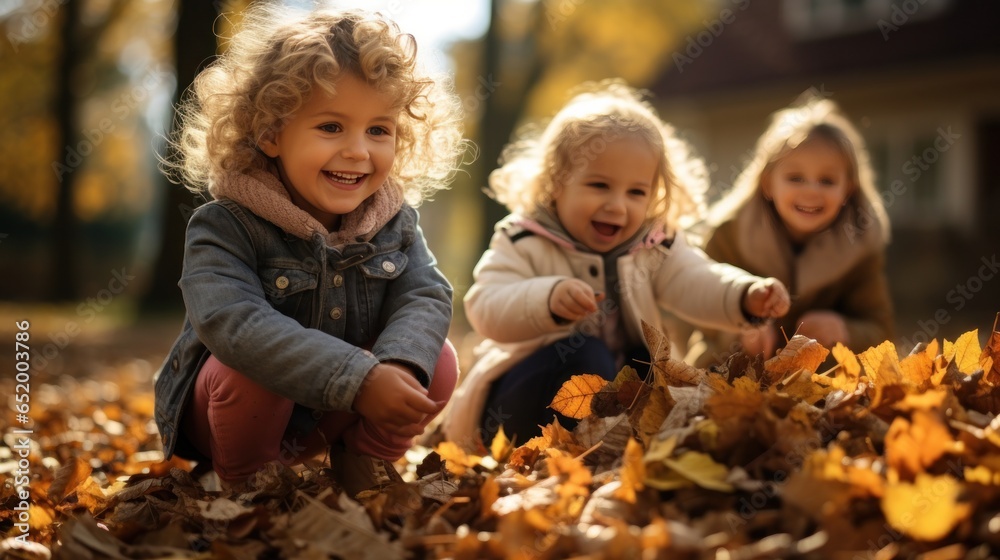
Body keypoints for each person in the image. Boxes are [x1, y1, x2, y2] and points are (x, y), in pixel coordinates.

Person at [153, 4, 466, 498]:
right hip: (229, 415)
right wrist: (359, 378)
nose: (358, 151)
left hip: (332, 414)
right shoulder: (226, 225)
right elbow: (233, 323)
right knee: (249, 370)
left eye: (378, 129)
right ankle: (251, 484)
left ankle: (364, 463)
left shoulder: (394, 222)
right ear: (271, 133)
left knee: (436, 358)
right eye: (331, 127)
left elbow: (425, 295)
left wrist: (399, 368)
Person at [441, 81, 791, 449]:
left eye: (636, 192)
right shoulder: (524, 238)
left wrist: (743, 294)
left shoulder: (655, 243)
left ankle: (615, 447)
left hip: (613, 403)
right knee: (585, 352)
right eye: (599, 185)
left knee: (645, 365)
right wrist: (545, 298)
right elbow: (485, 305)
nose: (618, 206)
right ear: (556, 183)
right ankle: (559, 452)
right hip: (521, 399)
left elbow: (696, 279)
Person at [684, 92, 893, 367]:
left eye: (827, 180)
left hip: (819, 386)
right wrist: (739, 330)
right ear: (768, 183)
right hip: (727, 375)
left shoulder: (860, 246)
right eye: (795, 178)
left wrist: (843, 329)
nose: (811, 191)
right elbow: (697, 311)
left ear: (848, 190)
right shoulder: (729, 235)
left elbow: (881, 331)